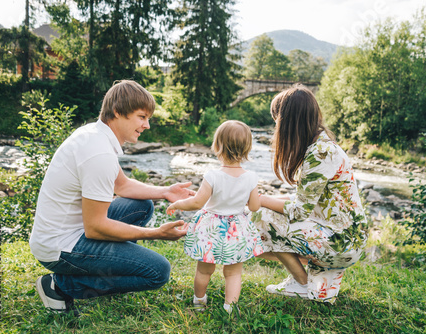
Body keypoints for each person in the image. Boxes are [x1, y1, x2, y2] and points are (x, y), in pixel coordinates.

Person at [29, 80, 195, 314]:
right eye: (141, 117)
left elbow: (123, 185)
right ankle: (60, 285)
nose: (147, 125)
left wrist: (165, 191)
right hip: (59, 247)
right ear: (117, 112)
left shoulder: (95, 134)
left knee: (142, 205)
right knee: (158, 271)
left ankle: (112, 271)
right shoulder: (98, 153)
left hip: (69, 233)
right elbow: (95, 228)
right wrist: (156, 234)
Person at [252, 85, 367, 303]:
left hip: (339, 242)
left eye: (277, 122)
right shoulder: (322, 145)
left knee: (260, 218)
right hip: (345, 239)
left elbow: (299, 211)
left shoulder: (320, 153)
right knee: (320, 298)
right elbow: (305, 202)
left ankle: (301, 283)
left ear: (288, 122)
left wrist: (261, 200)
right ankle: (310, 284)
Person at [166, 120, 263, 313]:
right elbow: (254, 206)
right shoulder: (251, 177)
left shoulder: (213, 175)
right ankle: (229, 308)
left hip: (210, 229)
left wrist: (177, 203)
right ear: (248, 148)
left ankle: (199, 302)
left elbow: (197, 203)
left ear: (218, 146)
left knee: (204, 270)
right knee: (233, 272)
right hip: (236, 229)